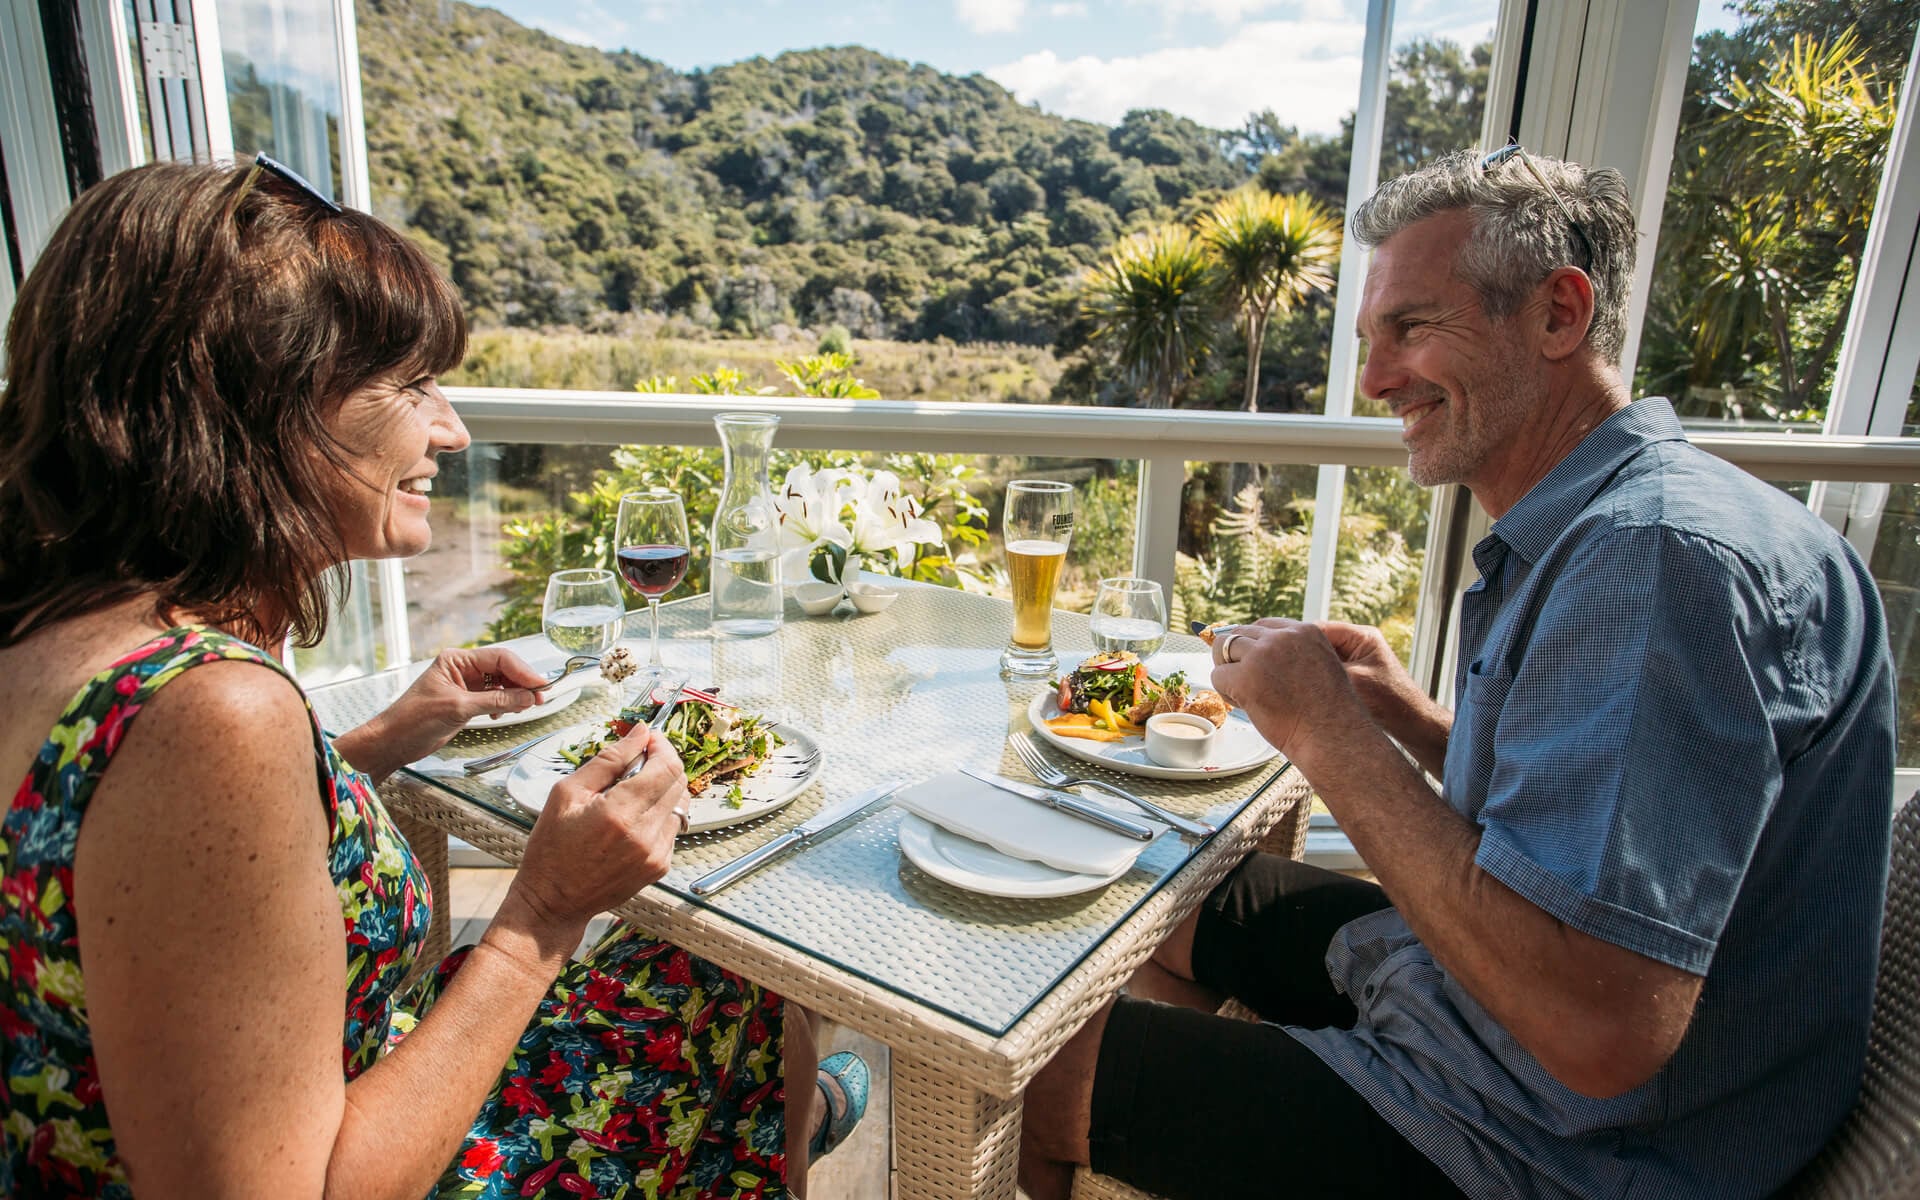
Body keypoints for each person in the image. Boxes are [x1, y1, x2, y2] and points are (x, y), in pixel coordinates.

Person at [1019, 147, 1895, 1200]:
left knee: (1019, 1069)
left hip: (1552, 1146)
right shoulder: (1627, 523)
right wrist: (1409, 718)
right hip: (1499, 1029)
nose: (1377, 379)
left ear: (1559, 316)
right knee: (1173, 897)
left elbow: (1598, 1032)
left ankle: (1106, 1112)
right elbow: (1600, 812)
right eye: (1368, 340)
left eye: (1412, 327)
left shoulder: (1657, 567)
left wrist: (1327, 735)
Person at [0, 157, 866, 1199]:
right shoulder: (209, 714)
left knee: (725, 972)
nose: (450, 430)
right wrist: (543, 910)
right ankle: (786, 1125)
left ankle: (784, 1120)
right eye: (410, 385)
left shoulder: (64, 628)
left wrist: (375, 745)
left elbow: (155, 869)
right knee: (749, 987)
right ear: (258, 404)